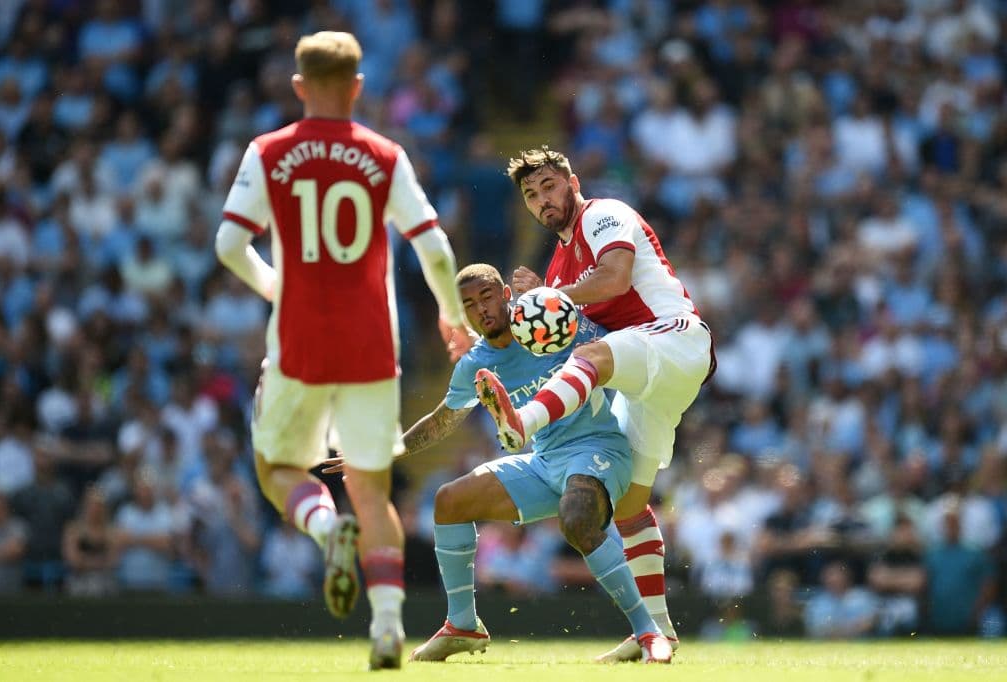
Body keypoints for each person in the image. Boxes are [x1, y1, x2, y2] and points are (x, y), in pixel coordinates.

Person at [214, 31, 470, 670]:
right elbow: (434, 248)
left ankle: (326, 531)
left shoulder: (268, 152)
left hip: (299, 346)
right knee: (371, 487)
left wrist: (276, 286)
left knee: (279, 471)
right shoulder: (384, 155)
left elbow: (227, 244)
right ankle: (387, 628)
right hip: (371, 351)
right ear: (357, 86)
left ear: (299, 86)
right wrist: (450, 312)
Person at [327, 264, 674, 664]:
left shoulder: (551, 320)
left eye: (487, 297)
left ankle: (648, 631)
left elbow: (615, 348)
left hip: (598, 449)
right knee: (449, 502)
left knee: (577, 516)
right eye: (470, 305)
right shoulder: (476, 363)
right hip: (544, 461)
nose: (482, 309)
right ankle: (462, 624)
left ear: (507, 295)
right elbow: (443, 420)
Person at [474, 146, 714, 661]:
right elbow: (569, 336)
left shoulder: (604, 214)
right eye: (532, 195)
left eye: (549, 187)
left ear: (572, 182)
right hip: (647, 376)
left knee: (591, 356)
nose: (543, 200)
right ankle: (658, 632)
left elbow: (615, 278)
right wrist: (525, 316)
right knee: (628, 507)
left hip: (675, 337)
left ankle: (524, 420)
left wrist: (550, 298)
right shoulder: (558, 267)